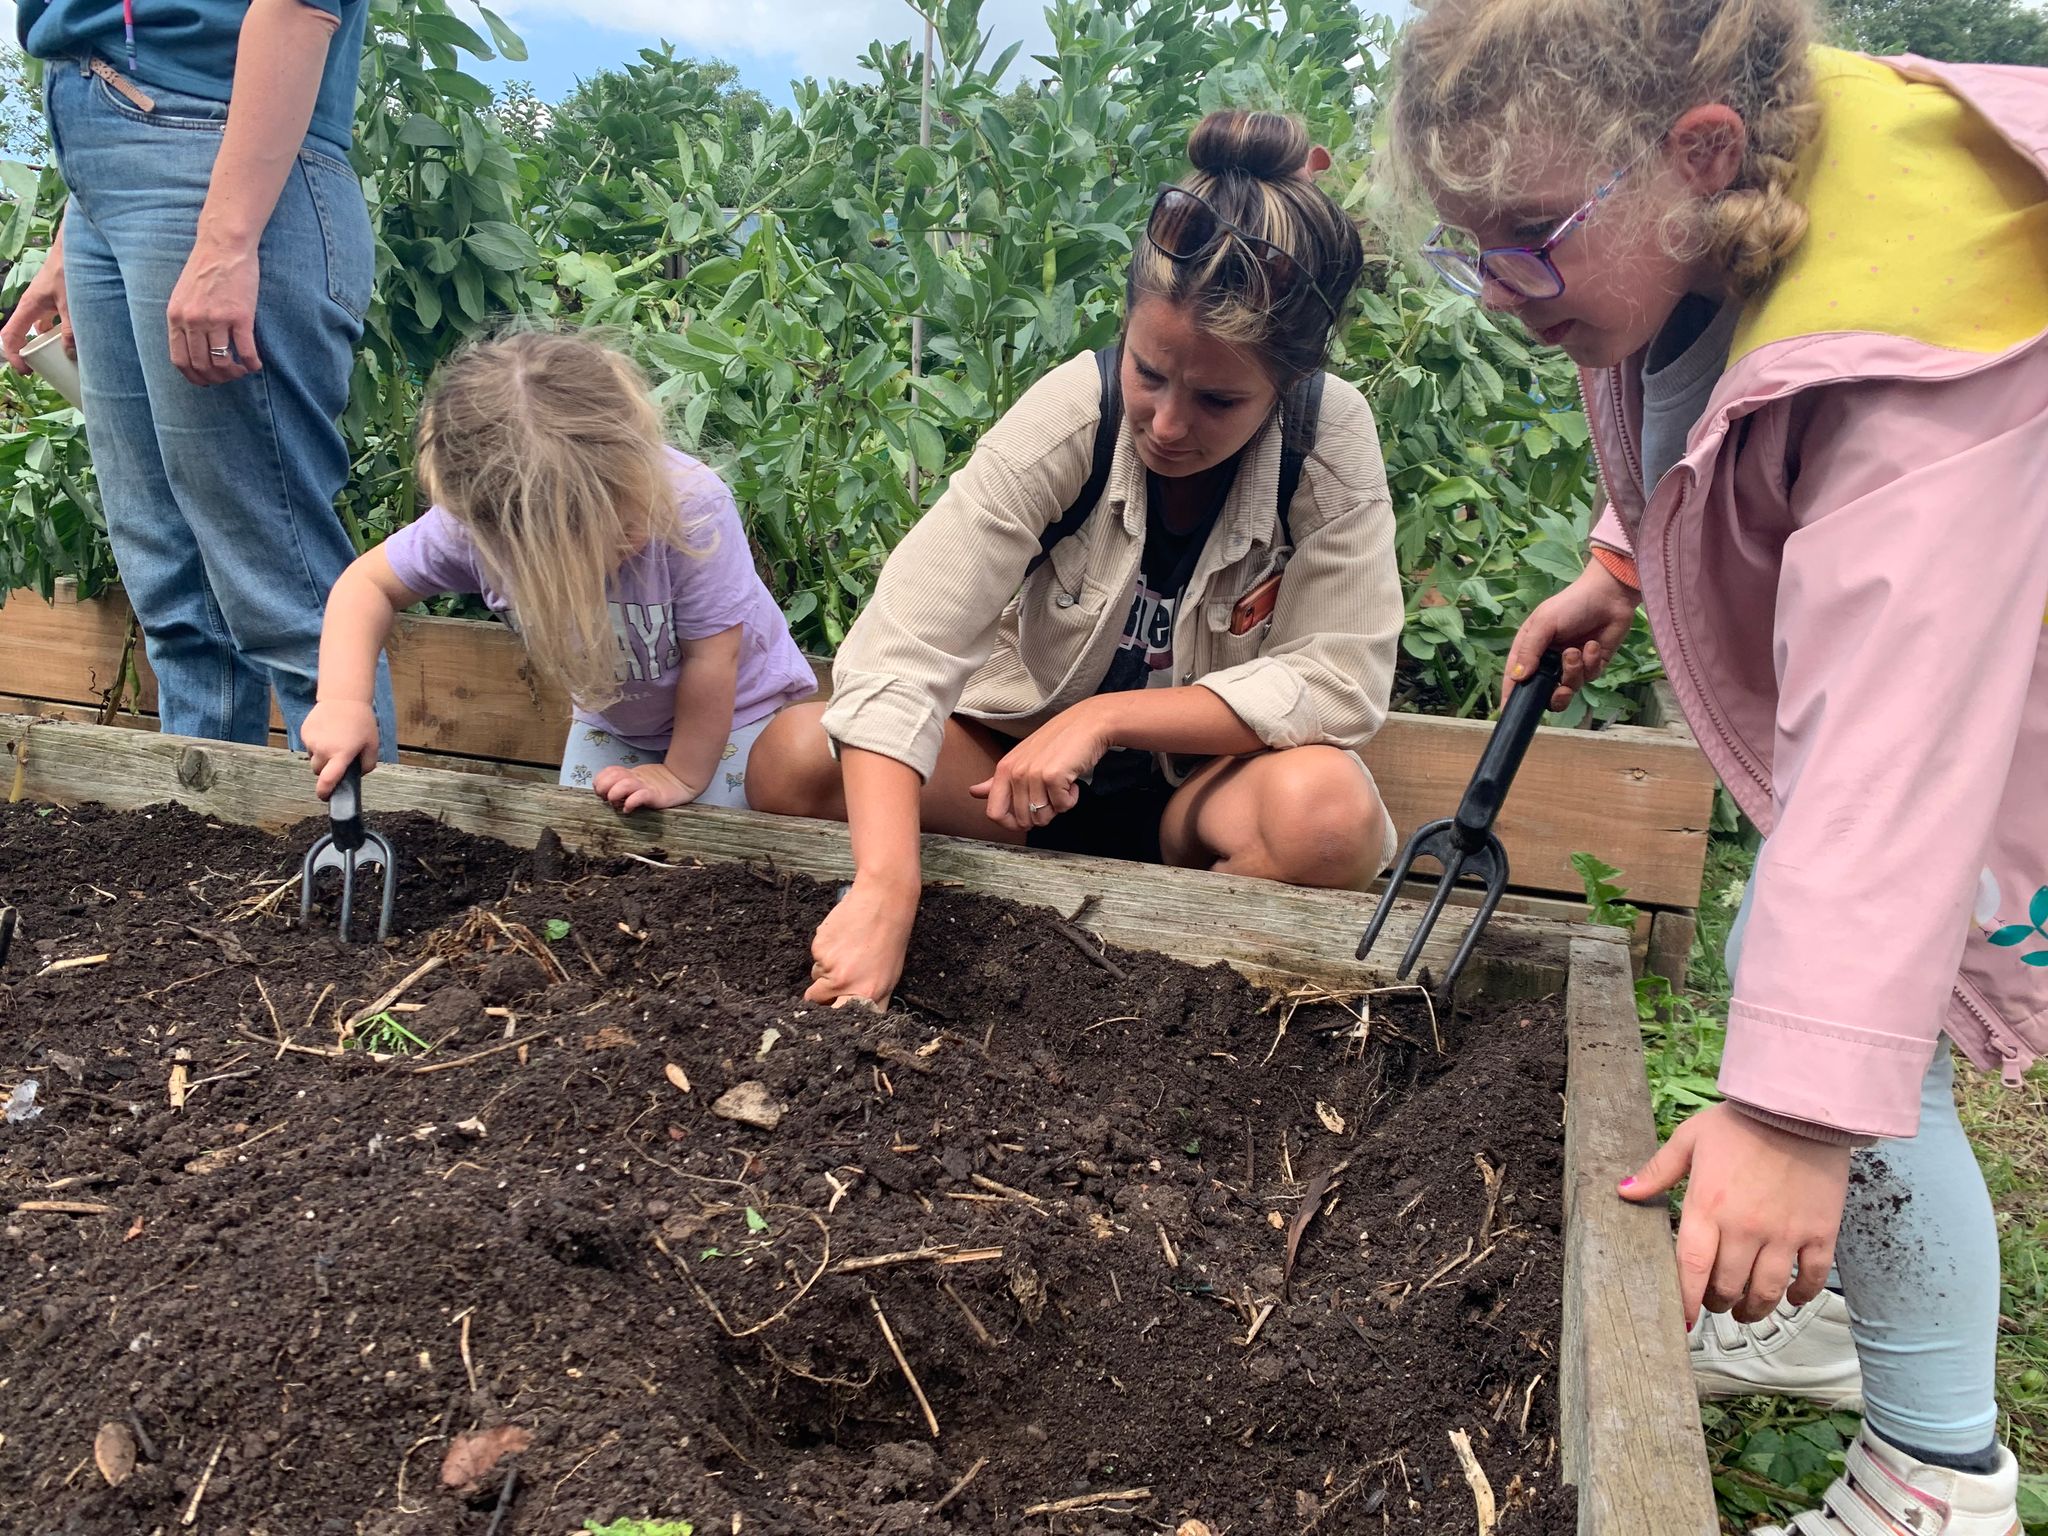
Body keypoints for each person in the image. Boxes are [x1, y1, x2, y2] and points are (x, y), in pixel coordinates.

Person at [1389, 0, 2048, 1528]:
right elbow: (1722, 380)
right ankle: (1838, 1321)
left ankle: (1933, 1479)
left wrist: (1794, 1118)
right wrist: (1618, 565)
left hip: (1981, 679)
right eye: (1467, 245)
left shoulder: (1928, 366)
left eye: (1527, 239)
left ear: (1698, 156)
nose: (1498, 291)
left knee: (1884, 1026)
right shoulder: (1713, 217)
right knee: (1801, 966)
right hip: (1959, 659)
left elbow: (1890, 751)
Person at [747, 109, 1403, 1011]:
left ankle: (1164, 993)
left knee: (1328, 822)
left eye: (1217, 399)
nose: (1168, 426)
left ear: (1284, 385)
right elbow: (902, 647)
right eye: (1148, 373)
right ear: (1128, 329)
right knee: (790, 759)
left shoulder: (1327, 440)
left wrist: (1108, 721)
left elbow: (1342, 679)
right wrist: (887, 888)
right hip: (1010, 788)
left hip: (1196, 805)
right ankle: (994, 913)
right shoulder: (1071, 415)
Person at [1, 0, 396, 750]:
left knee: (280, 575)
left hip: (215, 152)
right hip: (107, 184)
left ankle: (356, 845)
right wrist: (70, 239)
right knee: (172, 585)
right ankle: (205, 840)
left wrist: (225, 241)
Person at [302, 331, 816, 812]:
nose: (631, 536)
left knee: (729, 857)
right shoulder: (473, 528)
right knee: (583, 852)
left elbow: (713, 660)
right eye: (607, 533)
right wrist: (343, 702)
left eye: (631, 517)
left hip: (737, 718)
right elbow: (365, 586)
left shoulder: (693, 508)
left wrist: (680, 776)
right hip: (612, 725)